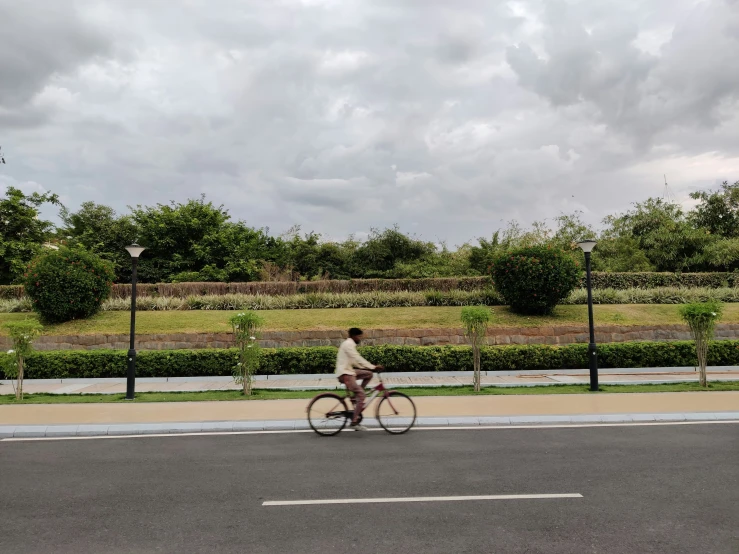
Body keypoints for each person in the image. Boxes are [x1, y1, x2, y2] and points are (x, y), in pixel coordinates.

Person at [335, 327, 384, 431]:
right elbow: (357, 358)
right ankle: (354, 422)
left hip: (349, 371)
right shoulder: (348, 345)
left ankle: (358, 395)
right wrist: (373, 367)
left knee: (369, 374)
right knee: (362, 395)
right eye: (359, 336)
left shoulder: (349, 344)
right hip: (345, 374)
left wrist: (369, 368)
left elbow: (356, 362)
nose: (360, 339)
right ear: (353, 336)